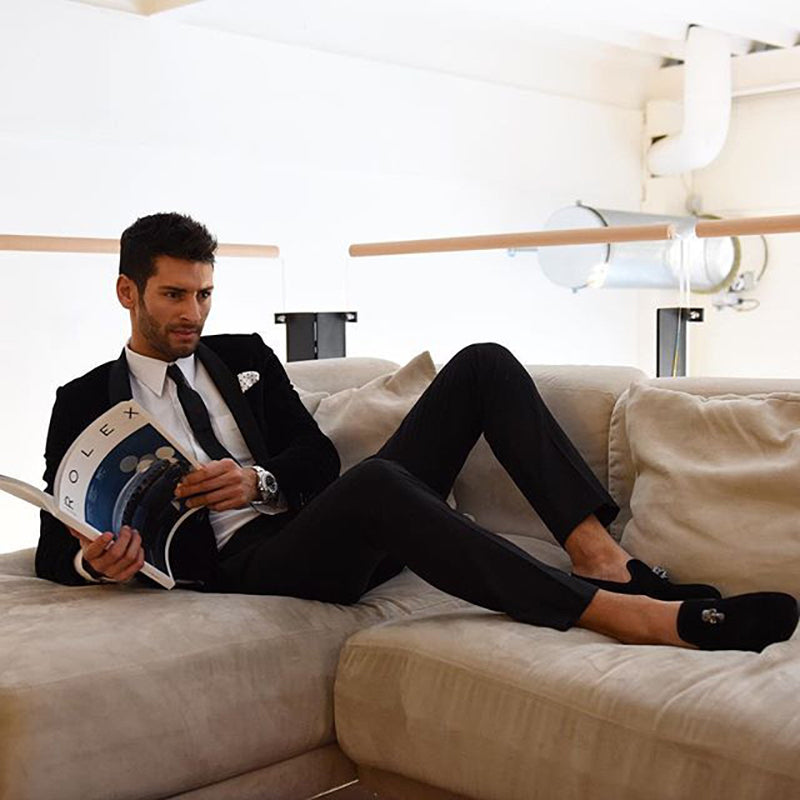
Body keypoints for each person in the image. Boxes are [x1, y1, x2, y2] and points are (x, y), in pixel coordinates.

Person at [37, 212, 798, 653]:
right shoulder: (83, 400)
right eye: (173, 295)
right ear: (126, 291)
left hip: (316, 521)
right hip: (248, 562)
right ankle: (627, 615)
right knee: (377, 483)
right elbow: (56, 542)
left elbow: (315, 456)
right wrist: (99, 564)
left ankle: (601, 557)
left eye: (204, 293)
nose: (193, 315)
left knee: (482, 365)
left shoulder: (243, 356)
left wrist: (260, 480)